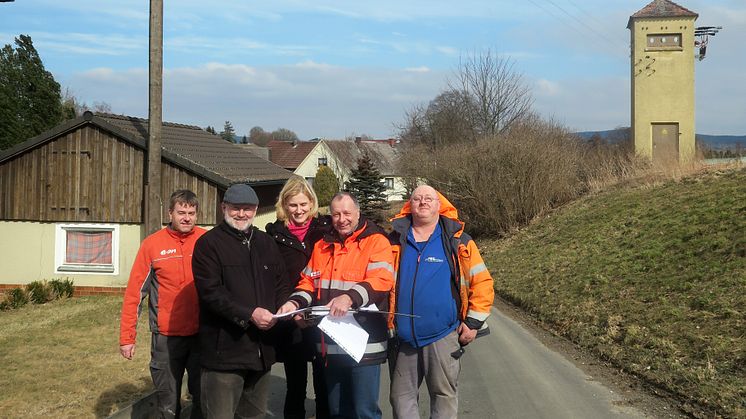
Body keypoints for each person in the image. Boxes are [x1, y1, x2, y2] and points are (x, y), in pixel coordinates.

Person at [277, 192, 394, 419]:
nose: (342, 219)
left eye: (347, 213)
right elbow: (308, 281)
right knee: (338, 410)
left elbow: (382, 279)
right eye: (336, 214)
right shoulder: (322, 246)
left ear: (358, 213)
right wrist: (295, 303)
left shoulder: (376, 241)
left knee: (364, 412)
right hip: (331, 342)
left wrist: (349, 297)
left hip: (364, 343)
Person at [387, 185, 494, 419]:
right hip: (403, 338)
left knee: (443, 396)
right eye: (417, 198)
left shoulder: (458, 240)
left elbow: (483, 282)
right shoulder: (394, 240)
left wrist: (473, 323)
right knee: (400, 399)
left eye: (428, 199)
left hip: (443, 335)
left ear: (439, 205)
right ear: (409, 205)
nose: (423, 202)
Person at [192, 183, 288, 419]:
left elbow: (281, 283)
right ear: (224, 207)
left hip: (261, 352)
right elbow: (211, 292)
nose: (242, 214)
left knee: (254, 416)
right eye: (236, 208)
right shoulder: (208, 244)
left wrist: (284, 307)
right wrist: (249, 313)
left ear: (255, 209)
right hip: (224, 354)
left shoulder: (266, 243)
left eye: (248, 208)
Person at [119, 189, 206, 419]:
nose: (186, 218)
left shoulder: (206, 241)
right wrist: (127, 338)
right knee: (167, 404)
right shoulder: (152, 245)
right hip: (166, 338)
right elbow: (135, 294)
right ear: (170, 213)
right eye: (181, 212)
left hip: (202, 335)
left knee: (205, 400)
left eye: (191, 213)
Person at [265, 176, 331, 419]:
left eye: (304, 204)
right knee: (295, 383)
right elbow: (274, 278)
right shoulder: (274, 236)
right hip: (292, 313)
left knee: (324, 381)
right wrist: (291, 309)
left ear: (312, 203)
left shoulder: (325, 230)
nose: (299, 210)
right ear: (284, 205)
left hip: (323, 313)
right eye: (293, 205)